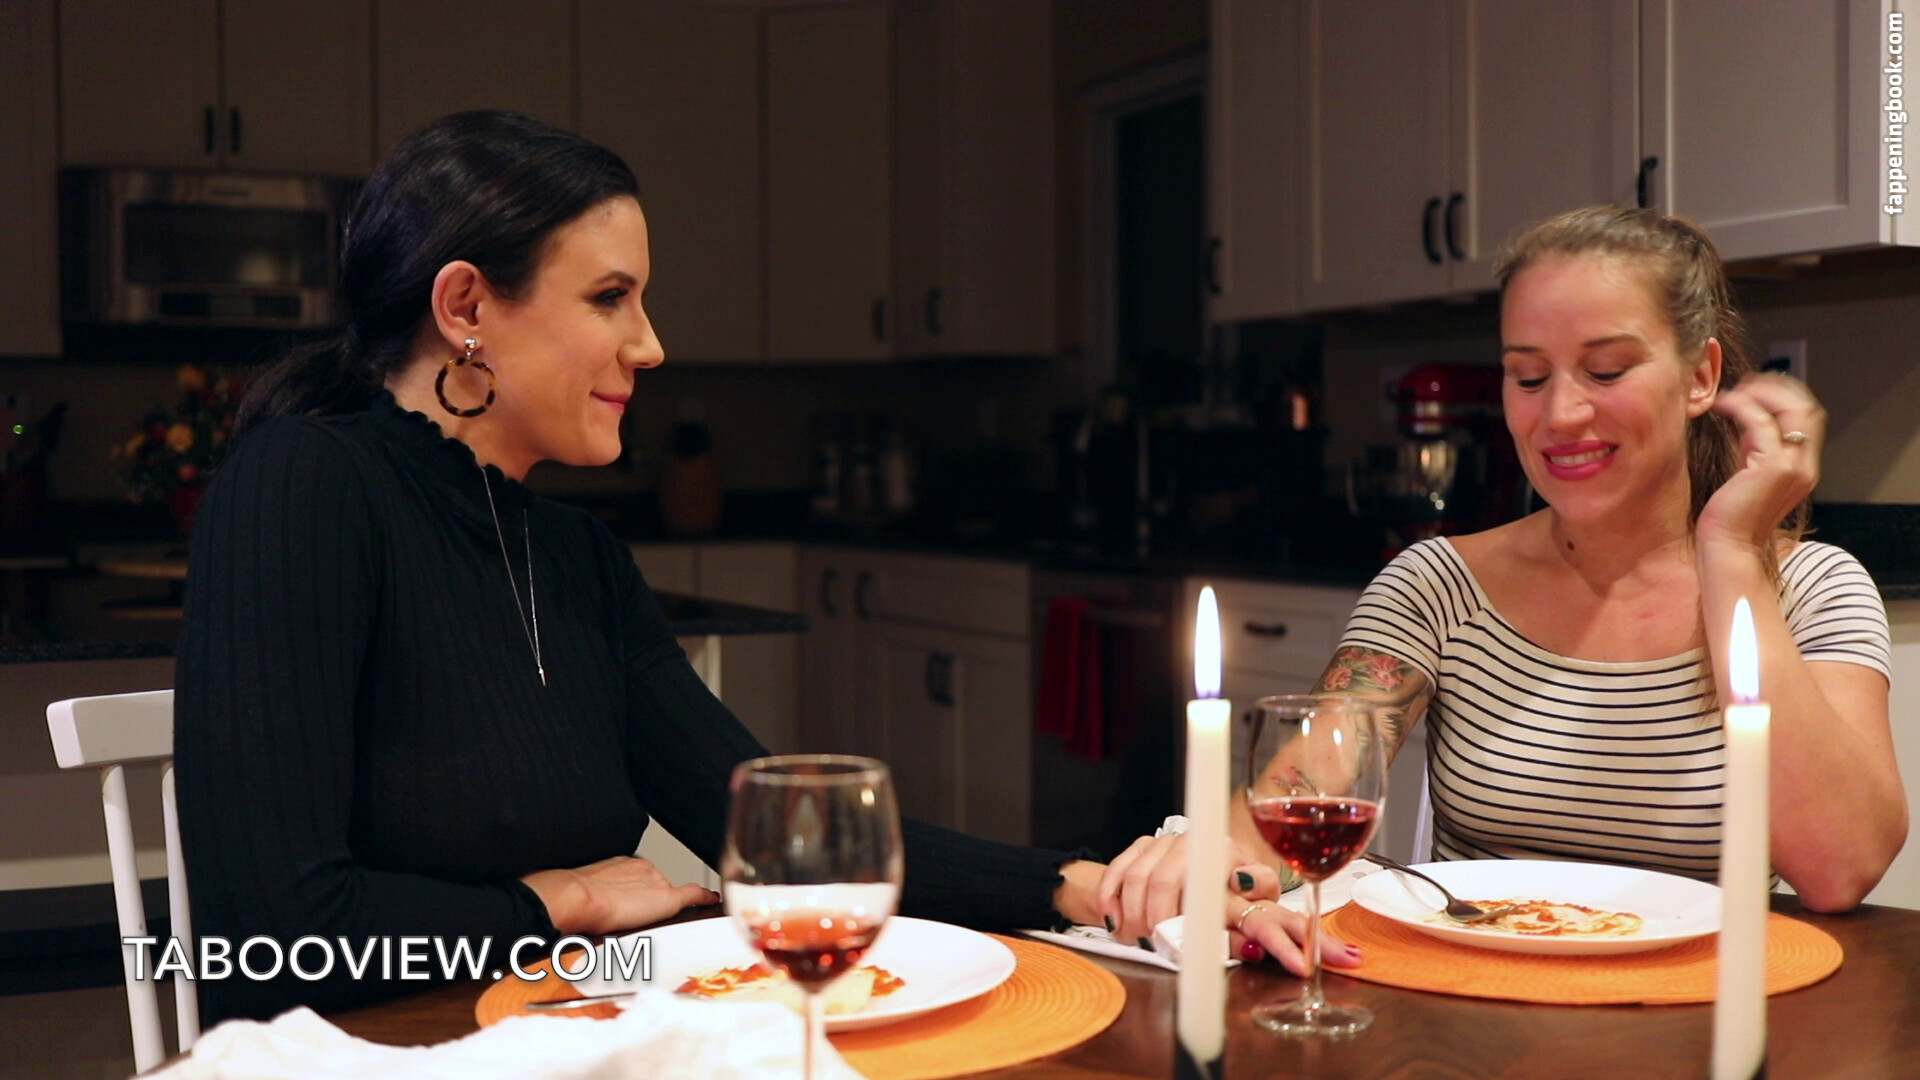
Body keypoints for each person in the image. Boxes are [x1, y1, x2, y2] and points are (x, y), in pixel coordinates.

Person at [174, 110, 1338, 1024]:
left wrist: (1094, 887)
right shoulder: (304, 484)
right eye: (610, 298)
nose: (650, 344)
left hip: (569, 1037)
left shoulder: (577, 559)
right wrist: (552, 904)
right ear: (467, 305)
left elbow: (780, 841)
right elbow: (265, 935)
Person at [1218, 206, 1902, 931]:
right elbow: (1297, 794)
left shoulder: (1813, 589)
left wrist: (1731, 553)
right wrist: (1210, 863)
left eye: (1606, 370)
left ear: (1700, 377)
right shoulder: (1436, 586)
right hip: (1469, 990)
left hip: (1706, 994)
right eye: (1528, 376)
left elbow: (1840, 869)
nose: (1561, 413)